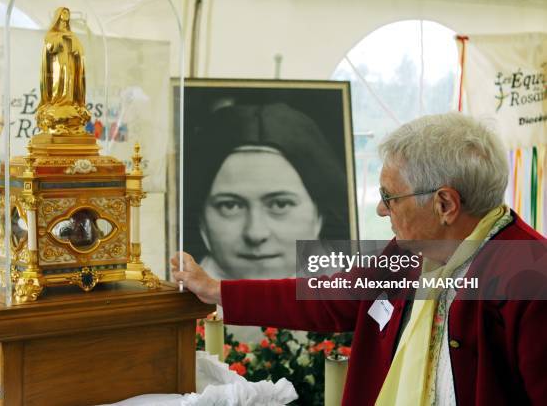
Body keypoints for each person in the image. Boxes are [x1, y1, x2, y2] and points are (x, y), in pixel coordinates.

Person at [173, 112, 547, 405]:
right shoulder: (414, 251)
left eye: (391, 197)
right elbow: (334, 297)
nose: (382, 210)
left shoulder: (530, 276)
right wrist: (216, 289)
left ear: (445, 204)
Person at [184, 103, 351, 280]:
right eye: (230, 206)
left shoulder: (349, 297)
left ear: (319, 215)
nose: (255, 233)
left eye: (280, 204)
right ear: (201, 219)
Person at [36, 6, 90, 136]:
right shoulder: (52, 34)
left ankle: (70, 102)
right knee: (58, 82)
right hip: (57, 63)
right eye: (64, 12)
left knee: (70, 82)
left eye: (68, 12)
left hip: (70, 62)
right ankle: (57, 102)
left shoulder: (72, 35)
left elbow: (80, 50)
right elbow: (50, 45)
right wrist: (61, 38)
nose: (66, 14)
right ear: (59, 15)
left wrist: (71, 40)